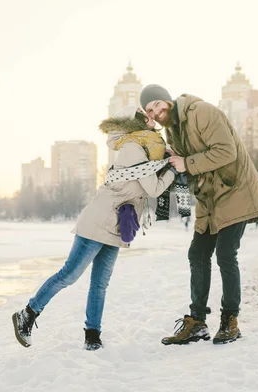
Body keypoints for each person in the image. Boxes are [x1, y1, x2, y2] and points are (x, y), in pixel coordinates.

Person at [12, 106, 176, 351]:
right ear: (139, 122)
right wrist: (172, 169)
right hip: (98, 222)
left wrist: (165, 161)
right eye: (147, 114)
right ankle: (27, 313)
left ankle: (92, 334)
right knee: (69, 275)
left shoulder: (147, 150)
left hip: (116, 225)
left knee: (100, 284)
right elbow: (153, 189)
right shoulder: (134, 148)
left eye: (154, 114)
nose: (153, 118)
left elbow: (149, 183)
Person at [140, 85, 258, 345]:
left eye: (157, 105)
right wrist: (174, 160)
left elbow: (227, 152)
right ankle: (197, 323)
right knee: (198, 254)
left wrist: (187, 162)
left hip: (235, 190)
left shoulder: (201, 112)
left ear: (168, 100)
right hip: (209, 197)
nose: (155, 112)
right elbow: (188, 170)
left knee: (226, 253)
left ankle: (230, 320)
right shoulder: (172, 130)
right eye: (149, 110)